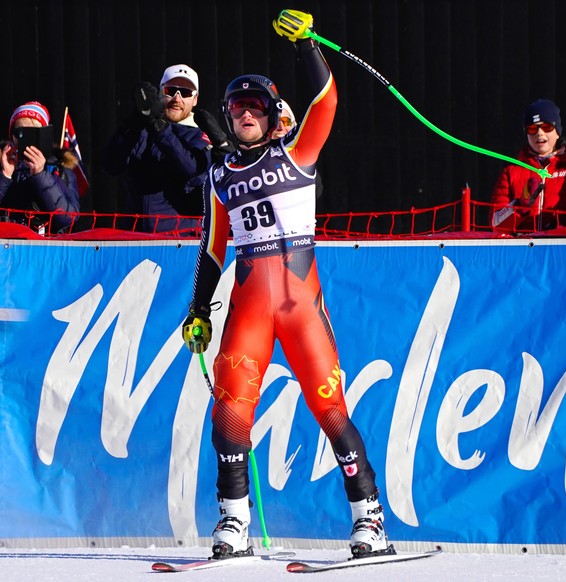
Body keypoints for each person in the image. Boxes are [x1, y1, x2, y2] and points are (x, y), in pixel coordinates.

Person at [181, 10, 392, 560]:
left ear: (275, 117)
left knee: (330, 407)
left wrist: (305, 47)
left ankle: (369, 519)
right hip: (249, 308)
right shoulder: (219, 175)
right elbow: (211, 247)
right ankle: (233, 522)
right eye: (237, 107)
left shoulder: (297, 152)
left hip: (300, 304)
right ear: (227, 117)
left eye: (257, 106)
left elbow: (326, 103)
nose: (246, 113)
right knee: (228, 411)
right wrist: (198, 309)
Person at [101, 64, 213, 234]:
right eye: (171, 90)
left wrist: (157, 126)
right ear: (160, 93)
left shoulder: (199, 136)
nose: (177, 98)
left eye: (185, 93)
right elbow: (109, 165)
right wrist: (134, 122)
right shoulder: (141, 131)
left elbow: (189, 167)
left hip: (181, 241)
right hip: (136, 240)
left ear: (195, 99)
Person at [491, 98, 566, 232]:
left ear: (557, 132)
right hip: (523, 250)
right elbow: (496, 225)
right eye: (532, 128)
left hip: (559, 249)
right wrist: (520, 205)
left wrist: (557, 230)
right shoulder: (510, 173)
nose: (539, 133)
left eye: (547, 127)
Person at [0, 101, 80, 234]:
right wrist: (5, 176)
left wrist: (40, 175)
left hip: (47, 248)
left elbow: (68, 218)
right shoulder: (4, 166)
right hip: (8, 249)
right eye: (20, 132)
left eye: (32, 133)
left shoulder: (60, 169)